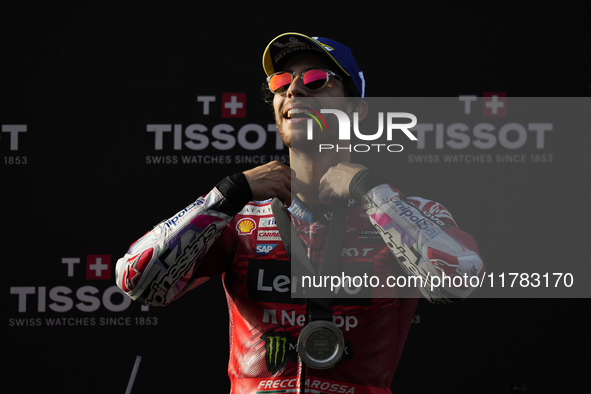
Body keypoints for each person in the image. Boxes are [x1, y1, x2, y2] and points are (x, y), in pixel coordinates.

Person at [115, 32, 484, 394]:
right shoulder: (239, 217)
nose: (293, 91)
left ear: (355, 110)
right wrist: (227, 195)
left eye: (316, 80)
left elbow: (459, 277)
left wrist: (372, 193)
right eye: (280, 82)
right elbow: (137, 280)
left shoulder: (402, 211)